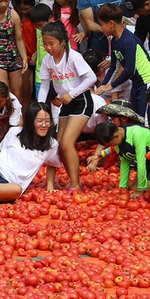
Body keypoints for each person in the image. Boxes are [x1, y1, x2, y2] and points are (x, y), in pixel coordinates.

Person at [37, 22, 96, 191]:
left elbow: (91, 78)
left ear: (62, 41)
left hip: (81, 101)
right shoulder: (47, 61)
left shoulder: (74, 57)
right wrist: (42, 108)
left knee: (67, 143)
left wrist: (73, 93)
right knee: (59, 144)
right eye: (45, 43)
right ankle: (74, 180)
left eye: (52, 43)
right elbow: (45, 85)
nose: (48, 48)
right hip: (65, 104)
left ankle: (76, 185)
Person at [95, 121, 150, 197]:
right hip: (148, 159)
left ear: (116, 136)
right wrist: (123, 187)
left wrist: (141, 190)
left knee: (147, 193)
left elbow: (141, 162)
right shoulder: (118, 141)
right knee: (133, 188)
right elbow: (124, 163)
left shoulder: (136, 134)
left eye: (111, 144)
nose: (113, 146)